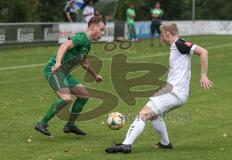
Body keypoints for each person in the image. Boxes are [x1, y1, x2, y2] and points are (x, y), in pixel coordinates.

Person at [105, 22, 213, 153]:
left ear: (167, 34)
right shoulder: (178, 45)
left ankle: (126, 145)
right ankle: (165, 143)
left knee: (142, 115)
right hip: (179, 94)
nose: (161, 39)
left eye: (162, 35)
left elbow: (203, 52)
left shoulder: (179, 44)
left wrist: (203, 75)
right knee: (155, 116)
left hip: (173, 92)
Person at [34, 16, 105, 136]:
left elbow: (83, 62)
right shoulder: (81, 38)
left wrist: (95, 75)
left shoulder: (87, 44)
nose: (102, 33)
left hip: (64, 74)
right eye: (101, 29)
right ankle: (42, 123)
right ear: (93, 27)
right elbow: (64, 46)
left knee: (84, 96)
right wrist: (58, 62)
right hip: (54, 70)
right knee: (66, 98)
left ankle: (70, 125)